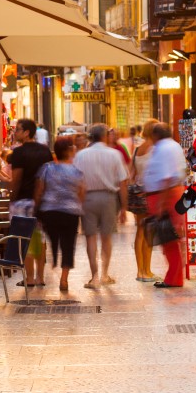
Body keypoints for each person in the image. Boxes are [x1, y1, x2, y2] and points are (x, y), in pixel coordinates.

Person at [73, 123, 128, 289]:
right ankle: (105, 274)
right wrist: (124, 207)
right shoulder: (114, 154)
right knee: (106, 237)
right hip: (108, 198)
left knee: (90, 237)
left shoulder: (81, 155)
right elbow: (123, 182)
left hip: (87, 198)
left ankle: (94, 276)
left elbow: (76, 180)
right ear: (104, 136)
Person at [33, 137, 85, 291]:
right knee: (69, 245)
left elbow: (39, 191)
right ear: (69, 151)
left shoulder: (46, 168)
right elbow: (82, 193)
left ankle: (52, 260)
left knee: (48, 239)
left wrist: (37, 208)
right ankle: (64, 279)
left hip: (50, 211)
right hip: (71, 212)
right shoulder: (77, 171)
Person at [8, 118, 53, 287]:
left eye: (18, 129)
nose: (15, 132)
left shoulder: (18, 153)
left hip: (22, 201)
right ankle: (41, 277)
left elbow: (16, 178)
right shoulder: (45, 151)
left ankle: (30, 277)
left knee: (24, 239)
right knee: (40, 239)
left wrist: (11, 198)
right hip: (42, 201)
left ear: (26, 132)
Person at [144, 122, 188, 288]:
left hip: (166, 196)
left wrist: (162, 204)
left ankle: (174, 278)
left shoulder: (162, 148)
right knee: (171, 237)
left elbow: (166, 178)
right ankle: (174, 276)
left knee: (168, 238)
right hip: (173, 194)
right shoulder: (174, 145)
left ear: (156, 135)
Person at [131, 119, 160, 282]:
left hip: (138, 195)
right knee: (149, 232)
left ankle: (140, 270)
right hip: (151, 194)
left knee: (140, 232)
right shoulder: (155, 150)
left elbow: (132, 174)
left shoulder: (137, 150)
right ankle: (147, 271)